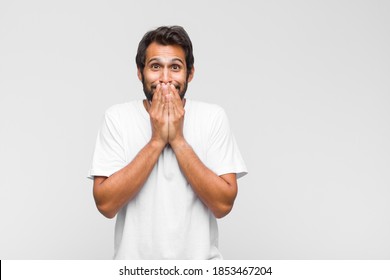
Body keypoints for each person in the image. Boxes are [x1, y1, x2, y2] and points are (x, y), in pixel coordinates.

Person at [88, 25, 247, 259]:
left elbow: (223, 205)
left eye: (175, 67)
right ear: (140, 72)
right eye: (155, 67)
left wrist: (178, 140)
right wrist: (157, 140)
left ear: (190, 73)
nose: (165, 79)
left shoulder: (213, 117)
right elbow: (106, 205)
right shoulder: (117, 118)